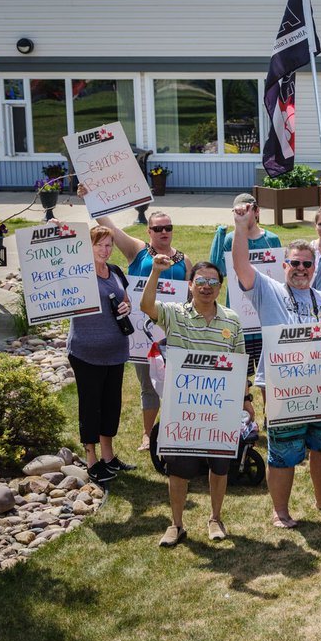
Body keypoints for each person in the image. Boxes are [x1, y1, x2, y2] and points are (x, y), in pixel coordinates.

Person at [231, 207, 321, 528]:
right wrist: (241, 228)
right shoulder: (267, 290)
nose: (300, 269)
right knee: (283, 451)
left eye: (306, 264)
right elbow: (241, 265)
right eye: (294, 263)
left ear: (314, 268)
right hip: (284, 389)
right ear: (284, 265)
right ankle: (280, 511)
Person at [141, 257, 246, 547]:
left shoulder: (232, 320)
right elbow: (147, 307)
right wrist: (155, 272)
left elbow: (239, 364)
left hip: (219, 408)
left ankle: (215, 518)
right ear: (190, 285)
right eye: (200, 281)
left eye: (213, 282)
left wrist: (246, 399)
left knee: (220, 467)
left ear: (220, 287)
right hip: (184, 408)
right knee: (178, 469)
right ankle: (176, 524)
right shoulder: (174, 314)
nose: (206, 287)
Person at [81, 184, 189, 452]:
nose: (164, 232)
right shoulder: (137, 250)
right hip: (142, 332)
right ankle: (146, 434)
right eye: (158, 228)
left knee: (175, 383)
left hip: (172, 329)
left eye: (168, 228)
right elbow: (108, 225)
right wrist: (89, 196)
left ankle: (175, 431)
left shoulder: (184, 261)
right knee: (148, 384)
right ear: (148, 231)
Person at [67, 224, 135, 485]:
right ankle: (92, 459)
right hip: (86, 351)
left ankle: (109, 456)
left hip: (116, 350)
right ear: (88, 246)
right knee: (90, 405)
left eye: (109, 245)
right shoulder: (77, 275)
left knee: (111, 405)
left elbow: (125, 299)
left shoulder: (115, 272)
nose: (105, 250)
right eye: (99, 245)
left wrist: (127, 306)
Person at [210, 193, 282, 393]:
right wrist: (220, 236)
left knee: (270, 372)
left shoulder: (272, 240)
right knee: (239, 373)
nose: (243, 214)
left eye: (247, 210)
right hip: (239, 317)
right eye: (238, 211)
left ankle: (270, 415)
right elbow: (218, 270)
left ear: (257, 211)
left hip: (265, 318)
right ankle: (244, 417)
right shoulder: (230, 239)